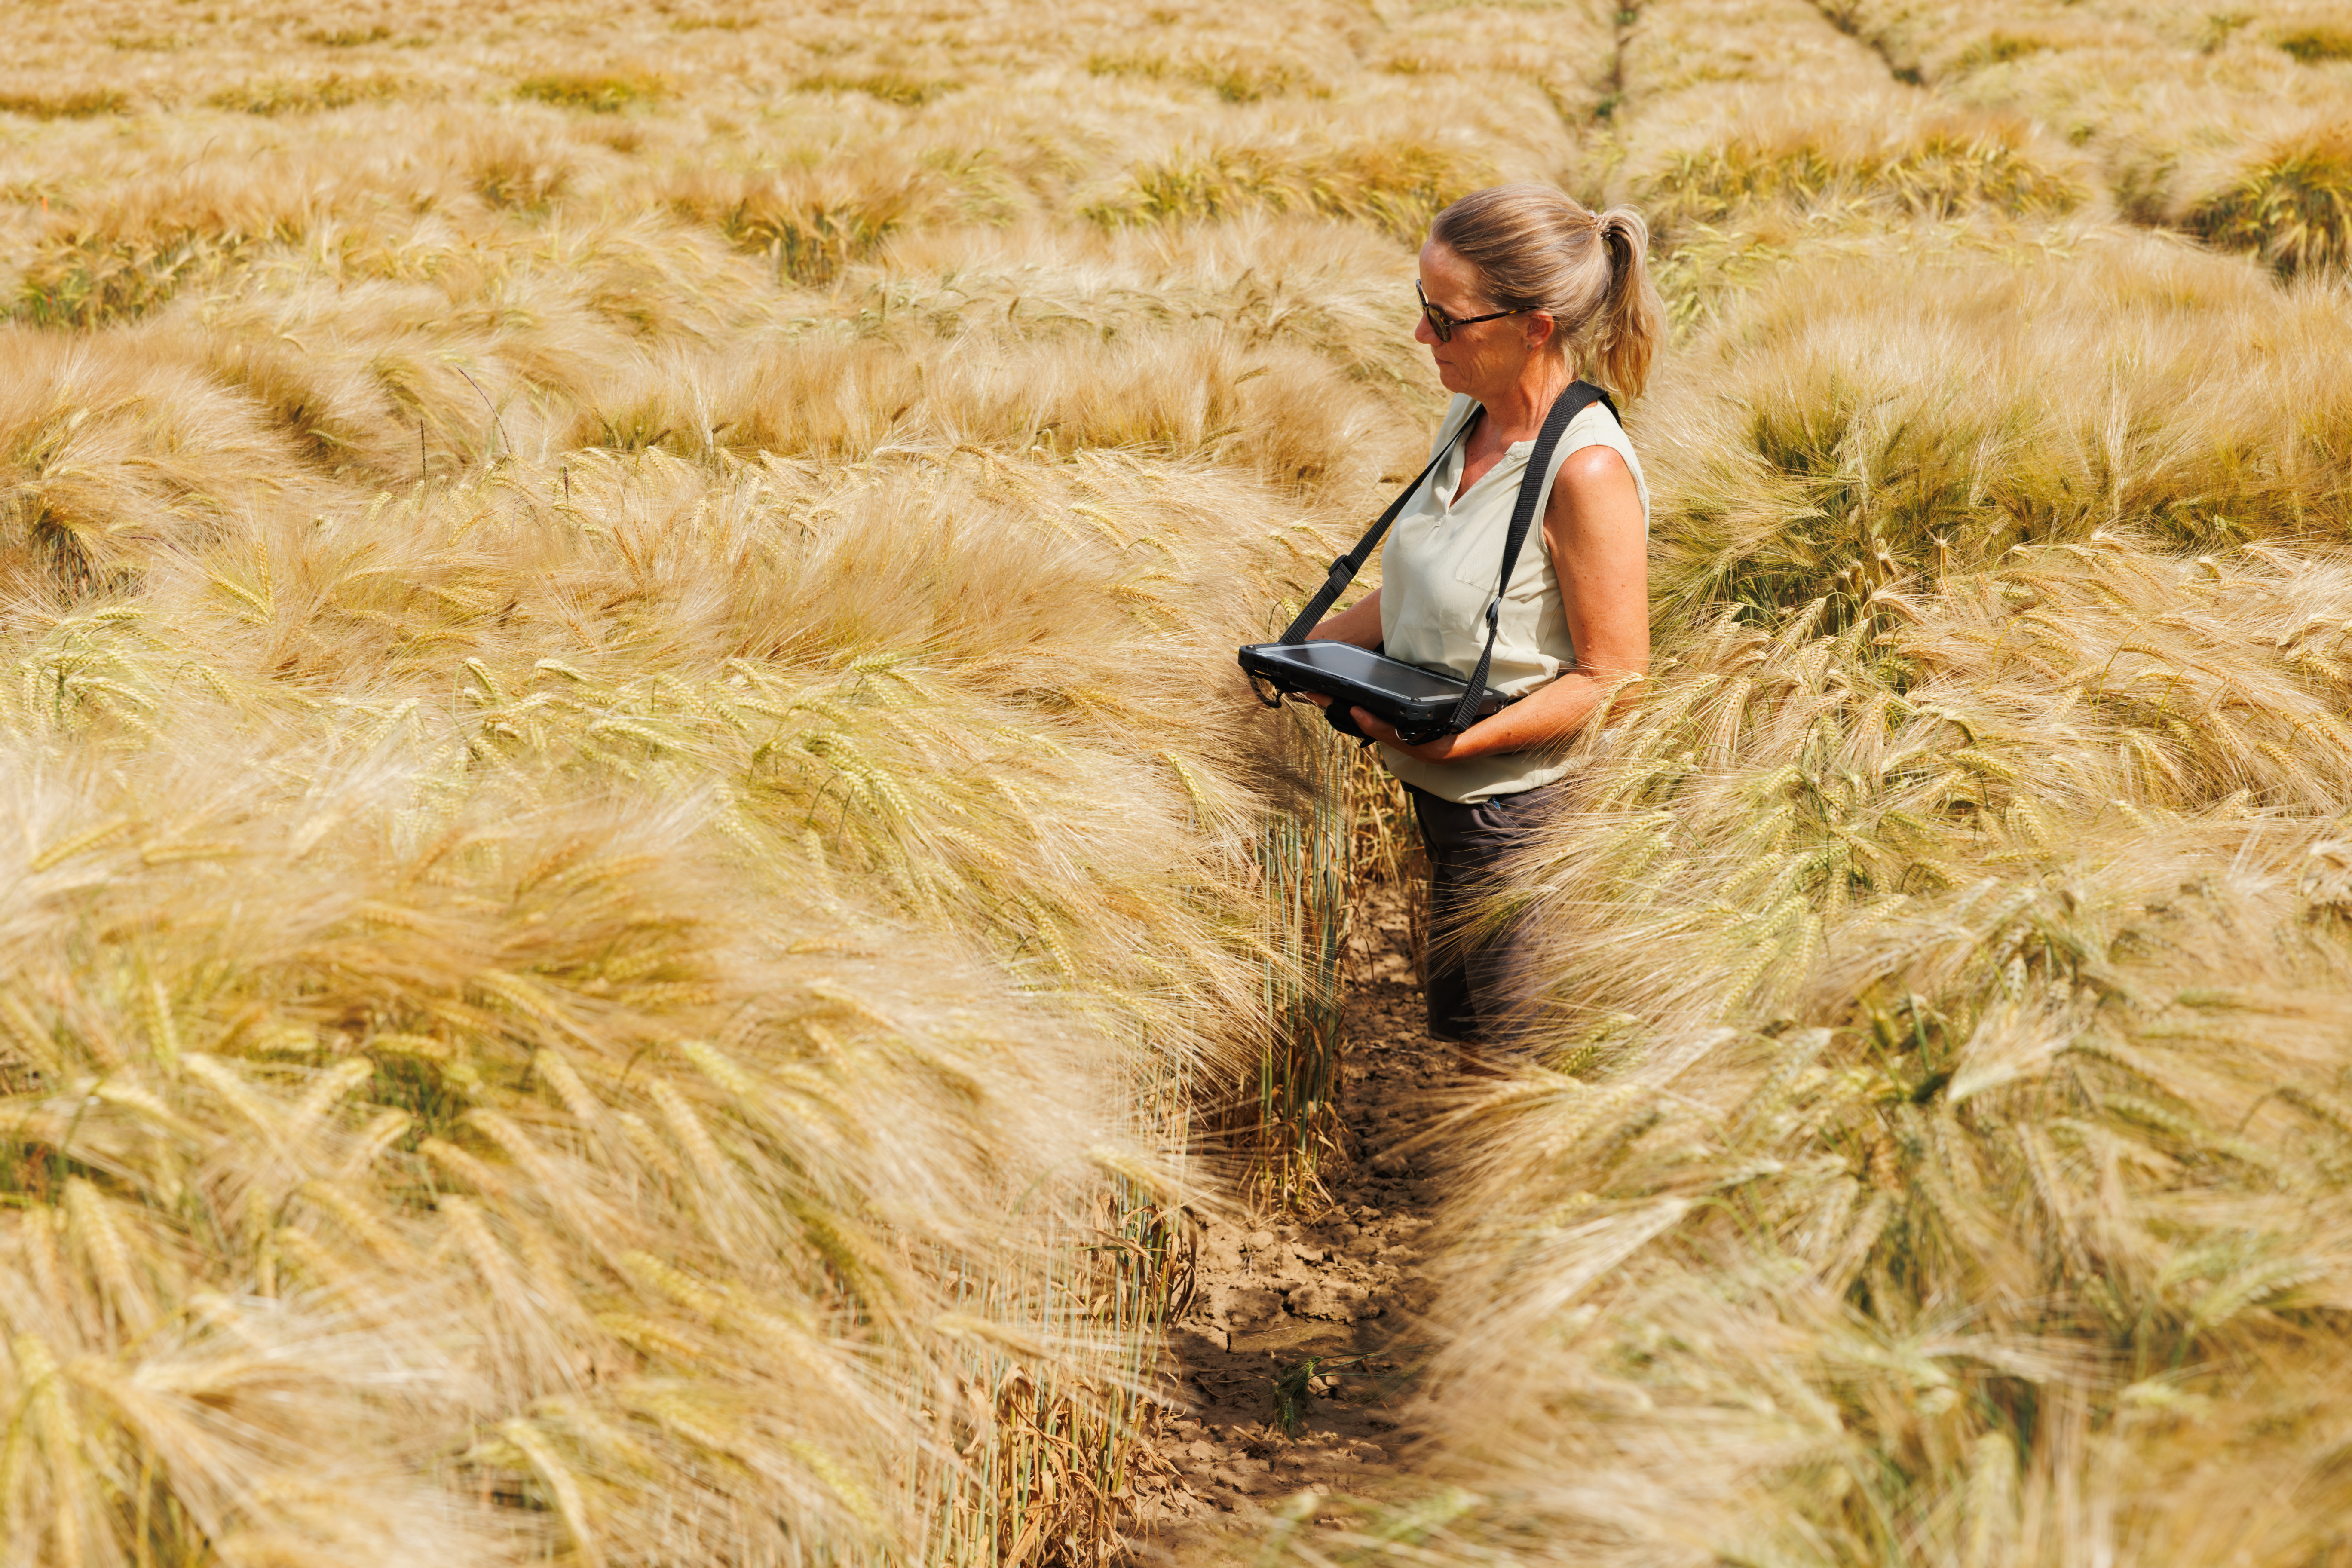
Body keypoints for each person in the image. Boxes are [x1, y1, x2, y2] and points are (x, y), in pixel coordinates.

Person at [1299, 184, 1660, 1052]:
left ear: (1534, 327)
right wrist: (1301, 656)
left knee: (1515, 1079)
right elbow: (1424, 595)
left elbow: (1616, 681)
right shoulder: (1469, 419)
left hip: (1524, 826)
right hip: (1452, 811)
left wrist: (1457, 744)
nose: (1423, 336)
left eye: (1447, 319)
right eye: (1424, 308)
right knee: (1468, 1046)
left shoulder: (1586, 473)